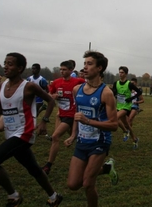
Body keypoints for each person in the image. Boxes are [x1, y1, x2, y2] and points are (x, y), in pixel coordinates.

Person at [0, 52, 63, 206]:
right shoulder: (1, 86)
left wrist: (44, 121)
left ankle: (13, 196)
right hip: (10, 132)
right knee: (32, 168)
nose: (6, 66)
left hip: (24, 133)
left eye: (10, 64)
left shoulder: (28, 86)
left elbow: (50, 101)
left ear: (20, 68)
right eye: (5, 63)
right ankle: (54, 197)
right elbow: (0, 110)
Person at [64, 50, 119, 207]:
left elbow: (114, 125)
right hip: (82, 141)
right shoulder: (77, 90)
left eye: (89, 64)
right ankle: (107, 168)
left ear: (99, 68)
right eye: (84, 64)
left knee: (88, 184)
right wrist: (73, 135)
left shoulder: (106, 93)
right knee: (73, 184)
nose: (85, 68)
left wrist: (89, 121)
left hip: (99, 142)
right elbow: (77, 115)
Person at [41, 60, 85, 175]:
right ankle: (85, 152)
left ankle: (48, 165)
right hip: (61, 115)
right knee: (76, 137)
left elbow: (88, 87)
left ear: (71, 70)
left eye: (64, 69)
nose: (62, 71)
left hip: (71, 116)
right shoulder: (56, 82)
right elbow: (50, 95)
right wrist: (53, 96)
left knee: (55, 136)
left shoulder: (78, 81)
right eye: (61, 69)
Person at [111, 66, 142, 143]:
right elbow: (114, 92)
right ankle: (135, 139)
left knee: (115, 117)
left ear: (126, 74)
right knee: (127, 124)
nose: (120, 74)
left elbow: (139, 92)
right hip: (119, 105)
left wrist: (131, 98)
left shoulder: (129, 84)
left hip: (126, 106)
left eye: (122, 72)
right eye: (119, 72)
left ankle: (125, 131)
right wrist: (114, 95)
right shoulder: (116, 83)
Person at [126, 77, 144, 149]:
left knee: (129, 120)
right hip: (128, 107)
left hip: (135, 107)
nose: (132, 84)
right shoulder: (128, 90)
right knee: (127, 123)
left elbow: (142, 100)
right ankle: (134, 138)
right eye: (131, 83)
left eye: (133, 83)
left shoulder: (137, 91)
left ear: (136, 83)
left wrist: (137, 102)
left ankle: (127, 132)